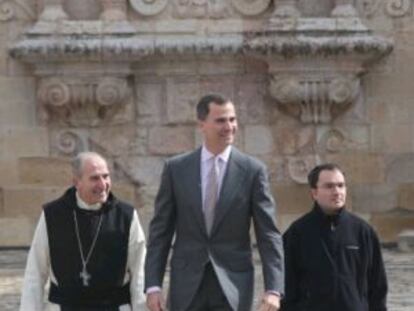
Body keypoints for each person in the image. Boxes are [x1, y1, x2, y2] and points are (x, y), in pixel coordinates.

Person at [144, 94, 284, 311]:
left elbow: (269, 234)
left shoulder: (253, 171)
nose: (229, 126)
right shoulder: (176, 169)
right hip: (187, 284)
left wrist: (273, 289)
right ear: (202, 124)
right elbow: (160, 231)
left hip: (233, 285)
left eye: (232, 119)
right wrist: (153, 285)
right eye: (221, 120)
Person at [20, 151, 146, 311]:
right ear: (76, 182)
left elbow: (139, 273)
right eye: (94, 178)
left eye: (106, 176)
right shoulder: (53, 215)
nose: (103, 184)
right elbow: (35, 273)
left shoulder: (126, 216)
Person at [282, 163, 388, 311]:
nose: (337, 191)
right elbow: (287, 283)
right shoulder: (297, 232)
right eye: (329, 186)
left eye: (341, 185)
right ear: (314, 193)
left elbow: (377, 284)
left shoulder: (363, 231)